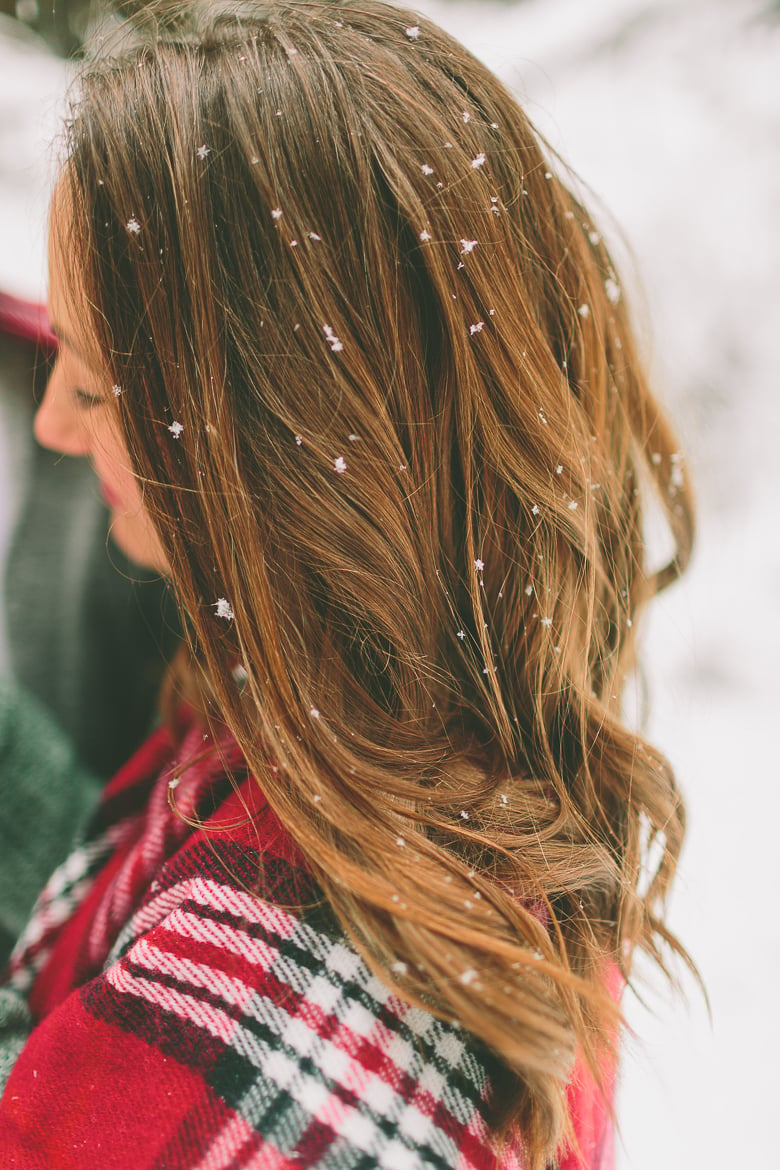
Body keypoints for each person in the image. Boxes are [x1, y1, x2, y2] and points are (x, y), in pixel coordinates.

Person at [0, 2, 695, 1166]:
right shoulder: (385, 733)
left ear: (282, 452)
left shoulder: (314, 998)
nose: (54, 423)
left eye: (103, 386)